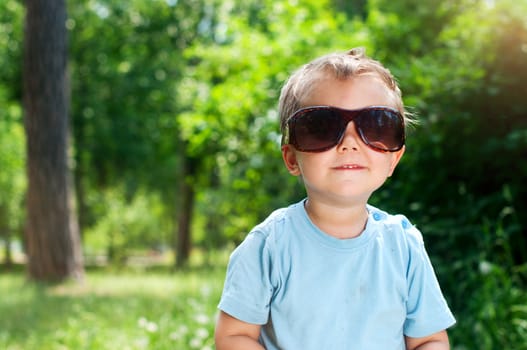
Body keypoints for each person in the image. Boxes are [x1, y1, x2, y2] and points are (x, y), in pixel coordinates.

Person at [214, 48, 456, 350]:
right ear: (291, 158)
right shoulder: (270, 245)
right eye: (322, 127)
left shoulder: (403, 246)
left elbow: (430, 340)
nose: (350, 142)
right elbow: (233, 336)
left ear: (394, 159)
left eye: (376, 125)